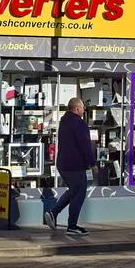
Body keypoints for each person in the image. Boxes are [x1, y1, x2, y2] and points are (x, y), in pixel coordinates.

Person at [46, 97, 98, 236]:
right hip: (75, 165)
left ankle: (53, 213)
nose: (84, 110)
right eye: (82, 108)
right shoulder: (79, 124)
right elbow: (85, 146)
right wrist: (92, 164)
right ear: (77, 109)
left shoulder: (64, 121)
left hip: (63, 164)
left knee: (74, 190)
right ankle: (72, 226)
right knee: (79, 194)